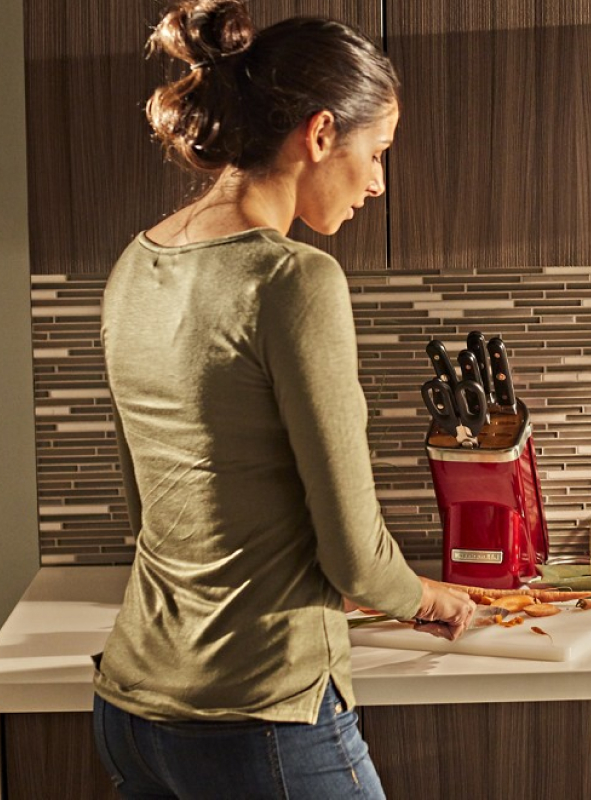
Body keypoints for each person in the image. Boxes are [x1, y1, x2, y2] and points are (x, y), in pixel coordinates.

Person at [91, 1, 476, 797]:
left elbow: (149, 507)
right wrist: (425, 595)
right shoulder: (293, 279)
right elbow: (353, 553)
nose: (377, 182)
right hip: (261, 716)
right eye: (377, 152)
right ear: (321, 133)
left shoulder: (137, 261)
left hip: (133, 713)